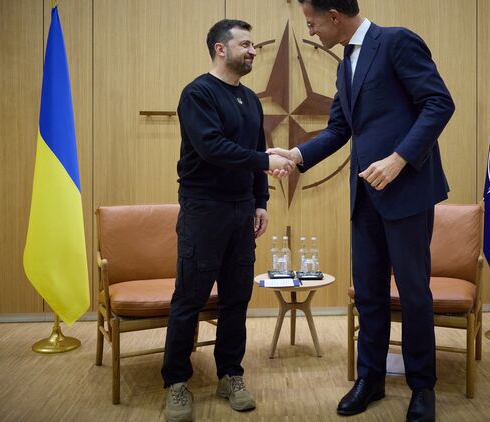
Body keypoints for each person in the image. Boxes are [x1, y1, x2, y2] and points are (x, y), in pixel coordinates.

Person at [268, 1, 454, 421]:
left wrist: (399, 159)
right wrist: (297, 154)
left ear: (335, 16)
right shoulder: (345, 65)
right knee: (369, 294)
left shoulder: (396, 42)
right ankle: (370, 380)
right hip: (365, 198)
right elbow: (340, 129)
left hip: (407, 192)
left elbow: (439, 103)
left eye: (312, 22)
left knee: (413, 294)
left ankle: (422, 387)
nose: (311, 31)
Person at [162, 19, 294, 422]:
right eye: (245, 44)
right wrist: (265, 161)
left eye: (253, 46)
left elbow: (255, 150)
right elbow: (213, 148)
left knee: (237, 298)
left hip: (241, 211)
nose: (253, 51)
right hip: (204, 210)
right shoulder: (197, 94)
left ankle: (230, 376)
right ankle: (177, 383)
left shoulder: (251, 100)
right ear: (221, 49)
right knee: (190, 298)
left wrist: (260, 201)